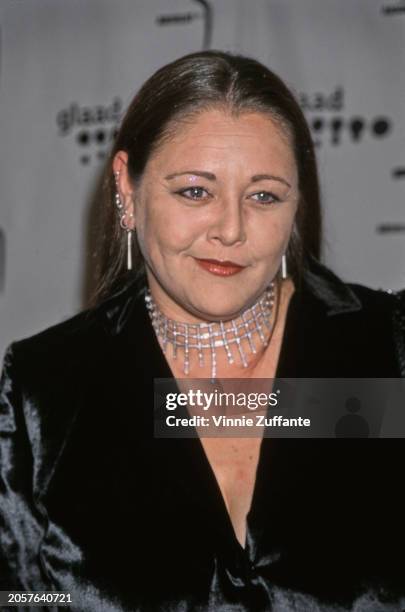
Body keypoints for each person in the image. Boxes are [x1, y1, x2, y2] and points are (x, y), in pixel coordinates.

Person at [0, 50, 404, 612]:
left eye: (264, 195)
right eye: (195, 191)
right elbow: (13, 598)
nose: (231, 230)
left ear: (296, 205)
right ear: (127, 188)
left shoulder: (388, 351)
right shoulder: (48, 388)